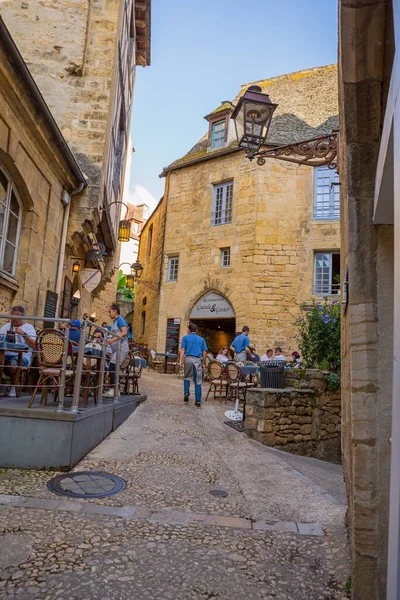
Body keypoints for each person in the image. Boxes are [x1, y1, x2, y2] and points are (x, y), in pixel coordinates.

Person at [0, 305, 36, 397]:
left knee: (11, 365)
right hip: (6, 354)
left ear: (22, 317)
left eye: (15, 316)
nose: (13, 319)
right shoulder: (6, 326)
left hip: (23, 356)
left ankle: (13, 384)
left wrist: (23, 334)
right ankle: (4, 384)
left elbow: (34, 345)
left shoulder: (29, 327)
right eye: (11, 316)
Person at [103, 304, 129, 397]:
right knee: (113, 367)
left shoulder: (120, 319)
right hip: (116, 348)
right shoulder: (115, 322)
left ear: (115, 311)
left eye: (110, 311)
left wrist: (112, 340)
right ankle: (114, 390)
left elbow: (124, 332)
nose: (109, 314)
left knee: (113, 367)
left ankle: (114, 390)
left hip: (121, 347)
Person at [179, 322, 207, 407]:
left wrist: (181, 361)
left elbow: (182, 350)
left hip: (188, 359)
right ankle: (198, 400)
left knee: (187, 377)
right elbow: (204, 352)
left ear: (188, 330)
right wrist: (203, 363)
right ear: (196, 330)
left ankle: (186, 393)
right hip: (197, 360)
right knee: (198, 380)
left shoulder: (185, 338)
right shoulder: (201, 339)